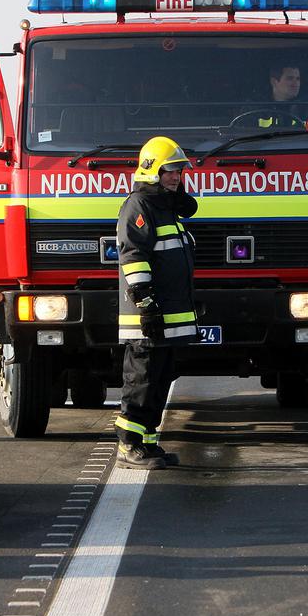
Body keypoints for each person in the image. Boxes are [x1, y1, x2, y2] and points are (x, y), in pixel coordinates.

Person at [113, 136, 199, 469]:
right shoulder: (139, 206)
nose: (176, 177)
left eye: (178, 172)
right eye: (169, 171)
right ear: (152, 172)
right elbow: (133, 257)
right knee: (142, 382)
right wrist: (146, 305)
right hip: (147, 318)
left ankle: (148, 444)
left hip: (166, 318)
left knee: (159, 381)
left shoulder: (165, 208)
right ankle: (128, 446)